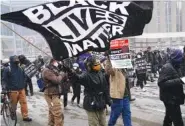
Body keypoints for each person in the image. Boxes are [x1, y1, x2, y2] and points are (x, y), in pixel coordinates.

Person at [73, 56, 111, 126]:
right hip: (91, 104)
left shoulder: (101, 73)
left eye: (98, 63)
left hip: (101, 103)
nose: (98, 65)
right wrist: (71, 72)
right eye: (95, 64)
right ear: (90, 65)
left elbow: (105, 88)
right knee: (94, 124)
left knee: (103, 123)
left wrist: (108, 100)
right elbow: (78, 78)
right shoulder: (86, 75)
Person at [158, 49, 185, 126]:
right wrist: (179, 80)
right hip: (170, 98)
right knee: (178, 121)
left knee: (169, 117)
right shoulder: (167, 67)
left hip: (173, 97)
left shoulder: (176, 66)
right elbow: (161, 83)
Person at [2, 55, 32, 122]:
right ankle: (12, 114)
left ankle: (25, 116)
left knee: (24, 103)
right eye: (15, 60)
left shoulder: (21, 68)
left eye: (17, 60)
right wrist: (4, 88)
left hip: (21, 89)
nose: (17, 61)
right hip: (12, 91)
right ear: (11, 61)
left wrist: (23, 83)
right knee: (13, 104)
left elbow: (24, 77)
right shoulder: (7, 69)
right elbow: (4, 80)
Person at [105, 59, 132, 126]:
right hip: (117, 96)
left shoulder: (125, 69)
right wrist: (108, 59)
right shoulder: (115, 68)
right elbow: (108, 71)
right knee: (115, 114)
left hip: (125, 96)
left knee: (127, 114)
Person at [42, 58, 67, 126]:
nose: (58, 63)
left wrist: (64, 72)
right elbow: (57, 80)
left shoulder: (54, 69)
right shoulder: (47, 70)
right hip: (51, 94)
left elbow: (64, 78)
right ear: (53, 62)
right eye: (57, 62)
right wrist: (61, 74)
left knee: (52, 111)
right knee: (58, 113)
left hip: (55, 93)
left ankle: (51, 124)